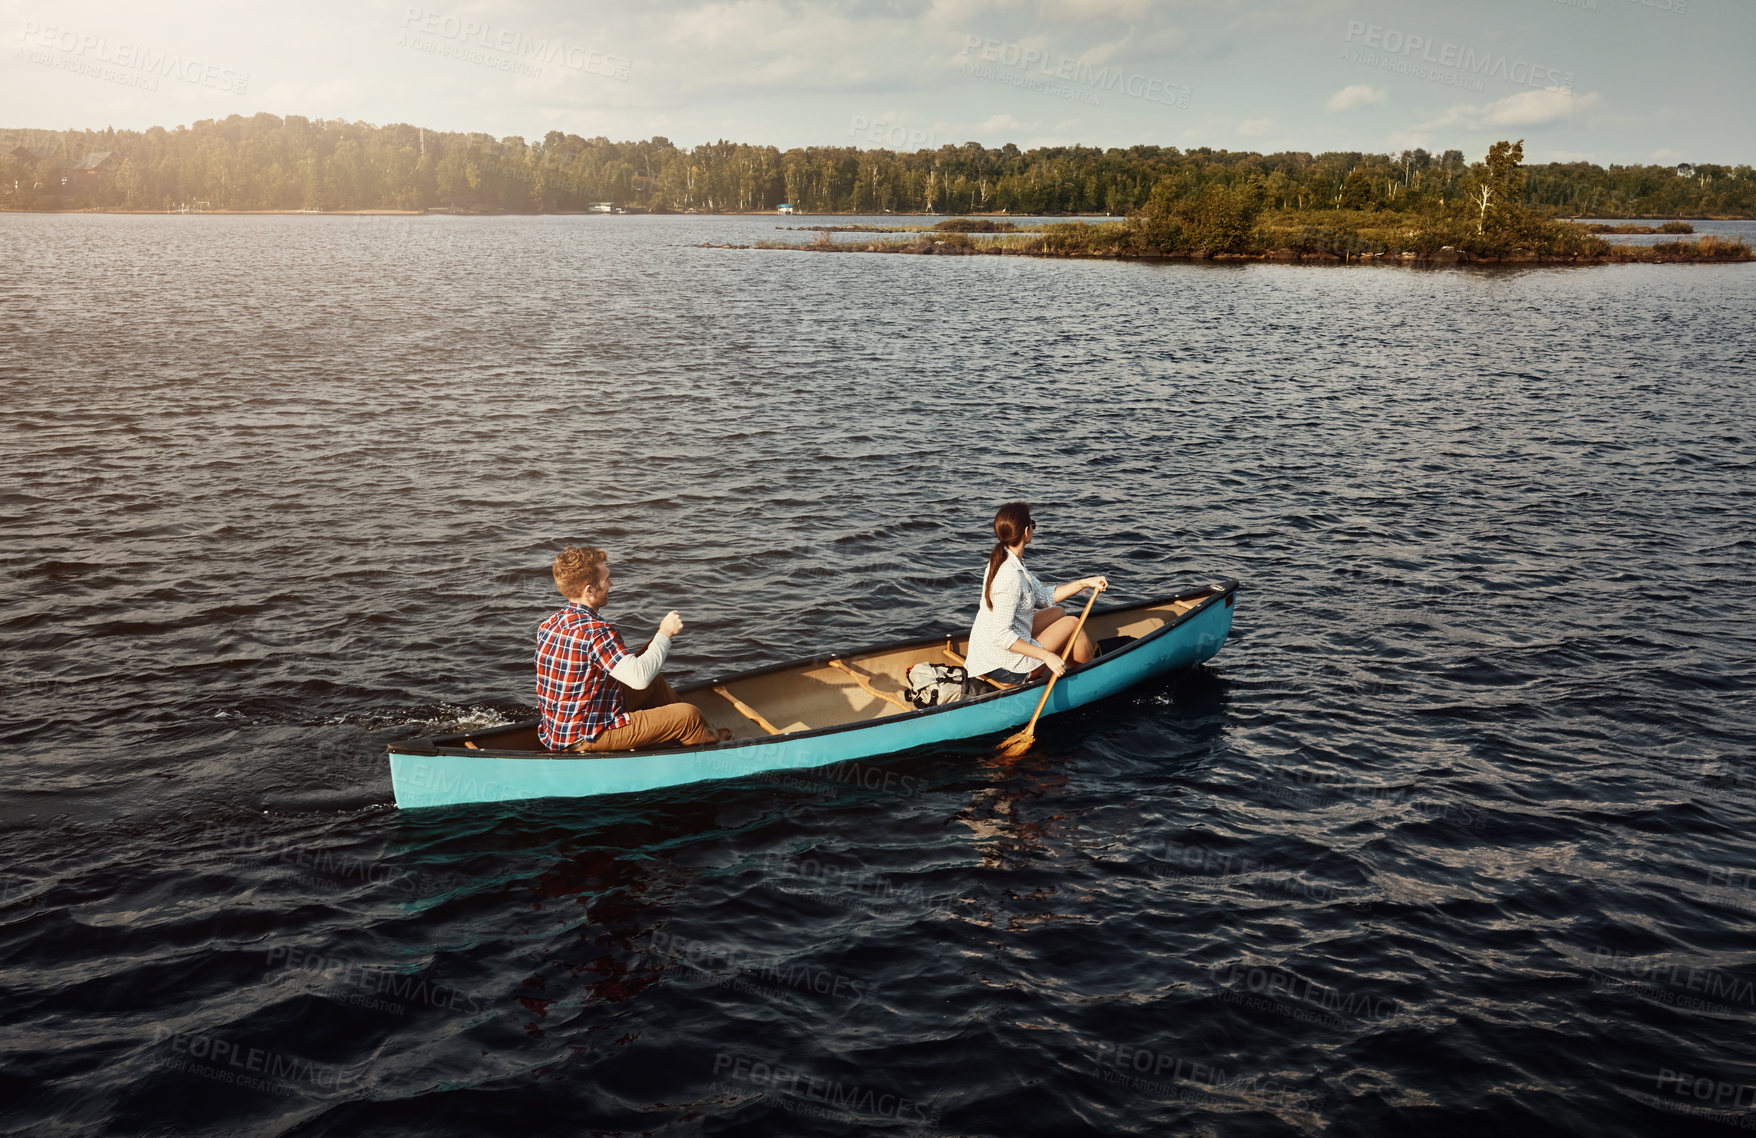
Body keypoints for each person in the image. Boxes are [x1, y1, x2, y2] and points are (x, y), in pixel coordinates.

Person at [534, 545, 717, 752]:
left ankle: (683, 737)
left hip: (559, 730)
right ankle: (710, 746)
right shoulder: (596, 632)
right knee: (688, 716)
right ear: (589, 590)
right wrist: (665, 633)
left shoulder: (550, 624)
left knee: (653, 680)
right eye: (606, 579)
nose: (611, 583)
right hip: (588, 736)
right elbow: (639, 679)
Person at [964, 502, 1108, 686]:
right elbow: (1001, 636)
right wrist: (1047, 656)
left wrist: (1083, 583)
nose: (1033, 528)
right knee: (1073, 623)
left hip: (993, 651)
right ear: (1026, 531)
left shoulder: (1008, 559)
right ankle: (1090, 678)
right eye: (1032, 524)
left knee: (1059, 612)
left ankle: (1074, 661)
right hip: (1003, 668)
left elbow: (1044, 596)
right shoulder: (1009, 577)